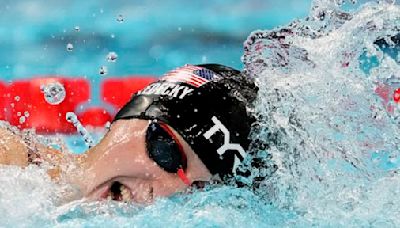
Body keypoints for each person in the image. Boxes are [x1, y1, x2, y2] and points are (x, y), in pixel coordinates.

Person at [0, 63, 258, 204]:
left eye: (198, 189)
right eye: (166, 152)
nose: (165, 194)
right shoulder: (8, 164)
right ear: (132, 115)